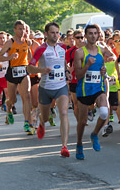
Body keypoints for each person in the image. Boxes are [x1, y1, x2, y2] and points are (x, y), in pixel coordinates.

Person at [28, 22, 71, 157]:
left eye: (57, 32)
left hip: (61, 86)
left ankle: (64, 146)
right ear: (46, 34)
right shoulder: (41, 49)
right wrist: (42, 70)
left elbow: (64, 63)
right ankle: (41, 122)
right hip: (45, 88)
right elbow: (29, 68)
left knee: (64, 112)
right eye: (52, 32)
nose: (56, 35)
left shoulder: (63, 48)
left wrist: (67, 71)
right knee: (46, 117)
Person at [74, 24, 116, 160]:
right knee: (82, 121)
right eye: (90, 33)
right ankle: (79, 144)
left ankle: (95, 134)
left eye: (95, 33)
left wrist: (104, 69)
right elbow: (78, 75)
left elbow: (111, 59)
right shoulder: (79, 53)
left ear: (98, 35)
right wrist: (87, 65)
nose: (93, 36)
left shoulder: (102, 50)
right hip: (84, 89)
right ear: (85, 36)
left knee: (104, 112)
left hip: (98, 88)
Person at [0, 20, 34, 134]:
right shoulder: (10, 42)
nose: (22, 31)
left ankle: (27, 123)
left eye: (23, 29)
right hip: (12, 71)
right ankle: (8, 108)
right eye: (20, 29)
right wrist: (10, 57)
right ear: (15, 30)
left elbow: (30, 58)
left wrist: (29, 52)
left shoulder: (26, 42)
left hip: (23, 71)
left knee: (26, 96)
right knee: (13, 99)